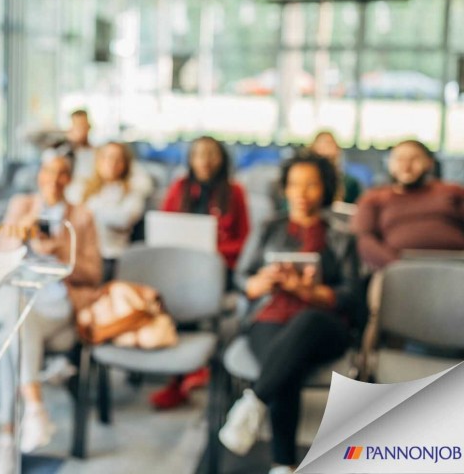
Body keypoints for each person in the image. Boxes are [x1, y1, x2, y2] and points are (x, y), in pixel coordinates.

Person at [218, 152, 366, 474]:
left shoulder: (341, 236)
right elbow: (243, 279)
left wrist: (309, 292)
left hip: (324, 323)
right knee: (286, 361)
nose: (301, 193)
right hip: (270, 315)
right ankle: (283, 466)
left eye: (311, 185)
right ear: (284, 189)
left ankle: (255, 402)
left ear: (325, 189)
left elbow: (352, 297)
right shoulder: (269, 227)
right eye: (294, 184)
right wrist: (259, 283)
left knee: (304, 324)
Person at [0, 150, 102, 472]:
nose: (53, 179)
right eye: (47, 171)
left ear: (69, 178)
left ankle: (7, 438)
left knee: (7, 338)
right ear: (38, 174)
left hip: (53, 300)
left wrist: (61, 252)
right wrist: (24, 227)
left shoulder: (81, 215)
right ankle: (35, 406)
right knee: (15, 305)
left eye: (61, 173)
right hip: (13, 293)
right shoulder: (21, 205)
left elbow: (94, 273)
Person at [149, 136, 250, 410]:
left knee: (198, 292)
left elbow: (245, 241)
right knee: (172, 293)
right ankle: (179, 375)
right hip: (180, 268)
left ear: (222, 159)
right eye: (199, 154)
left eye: (212, 154)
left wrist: (212, 250)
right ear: (190, 160)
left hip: (219, 269)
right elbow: (164, 229)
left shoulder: (235, 192)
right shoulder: (179, 188)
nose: (205, 161)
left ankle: (197, 369)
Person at [353, 139, 464, 270]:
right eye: (400, 159)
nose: (406, 166)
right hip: (397, 270)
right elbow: (364, 239)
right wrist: (397, 267)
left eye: (414, 159)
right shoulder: (374, 198)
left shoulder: (452, 191)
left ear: (429, 163)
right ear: (390, 164)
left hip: (456, 267)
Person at [81, 142, 146, 282]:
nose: (112, 163)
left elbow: (123, 219)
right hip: (85, 255)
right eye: (107, 157)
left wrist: (91, 208)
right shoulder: (85, 189)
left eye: (118, 159)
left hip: (113, 256)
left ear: (125, 164)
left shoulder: (132, 191)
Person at [309, 130, 362, 203]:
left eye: (329, 144)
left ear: (337, 150)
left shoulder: (350, 183)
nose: (324, 150)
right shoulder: (303, 181)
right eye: (321, 146)